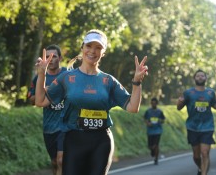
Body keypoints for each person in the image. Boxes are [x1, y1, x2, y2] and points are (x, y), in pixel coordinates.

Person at [35, 29, 148, 175]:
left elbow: (133, 107)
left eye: (98, 47)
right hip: (74, 139)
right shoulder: (67, 78)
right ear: (82, 47)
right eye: (89, 46)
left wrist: (137, 82)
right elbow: (41, 101)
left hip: (101, 141)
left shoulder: (108, 81)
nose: (92, 51)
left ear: (103, 52)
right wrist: (41, 75)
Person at [27, 44, 66, 175]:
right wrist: (44, 91)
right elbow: (32, 100)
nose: (50, 59)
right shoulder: (39, 77)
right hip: (49, 127)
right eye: (47, 57)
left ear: (60, 58)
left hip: (66, 126)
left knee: (62, 160)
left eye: (54, 56)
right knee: (55, 162)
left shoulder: (69, 75)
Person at [177, 69, 216, 175]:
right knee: (196, 156)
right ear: (194, 79)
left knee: (205, 153)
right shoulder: (188, 93)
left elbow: (215, 105)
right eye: (198, 76)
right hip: (193, 127)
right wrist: (180, 102)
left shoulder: (211, 92)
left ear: (206, 78)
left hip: (207, 126)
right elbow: (179, 108)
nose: (200, 77)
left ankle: (204, 173)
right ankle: (201, 168)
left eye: (202, 76)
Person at [144, 97, 165, 165]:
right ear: (151, 103)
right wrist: (148, 123)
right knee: (150, 146)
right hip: (150, 131)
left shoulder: (160, 111)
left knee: (156, 145)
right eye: (152, 103)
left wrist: (159, 120)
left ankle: (156, 159)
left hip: (158, 131)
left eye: (155, 103)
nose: (153, 104)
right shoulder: (148, 111)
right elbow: (145, 119)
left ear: (157, 103)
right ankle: (152, 151)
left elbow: (163, 120)